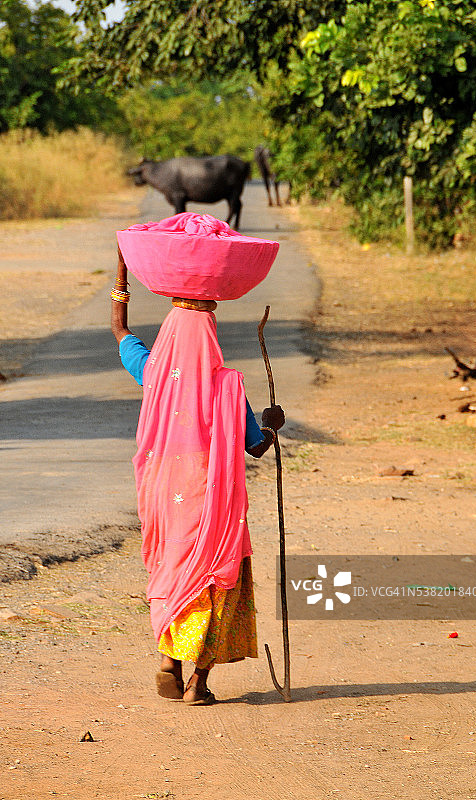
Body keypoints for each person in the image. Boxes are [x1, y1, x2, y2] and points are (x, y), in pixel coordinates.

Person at [111, 213, 284, 705]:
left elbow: (120, 328)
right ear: (211, 333)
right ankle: (199, 683)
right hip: (211, 490)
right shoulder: (228, 387)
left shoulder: (152, 370)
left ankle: (169, 657)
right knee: (214, 569)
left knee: (172, 563)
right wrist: (271, 423)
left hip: (164, 485)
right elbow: (255, 445)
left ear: (169, 331)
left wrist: (122, 268)